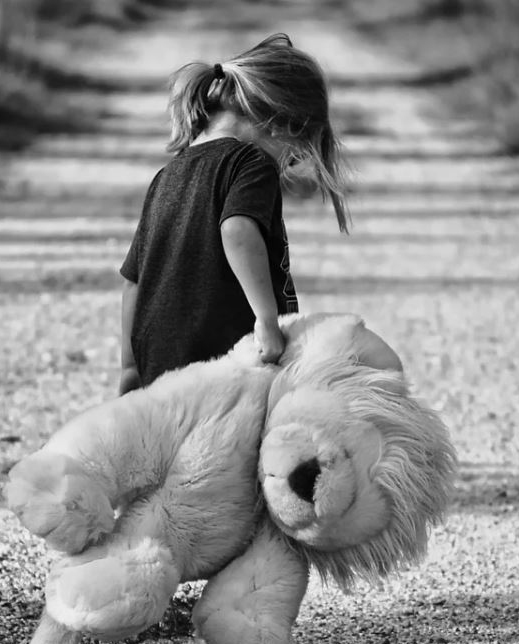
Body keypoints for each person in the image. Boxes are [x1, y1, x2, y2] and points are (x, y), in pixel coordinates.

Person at [118, 33, 350, 394]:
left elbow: (134, 280)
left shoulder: (168, 174)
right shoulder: (251, 161)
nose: (289, 164)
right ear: (281, 122)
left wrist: (130, 366)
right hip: (226, 359)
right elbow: (237, 230)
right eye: (295, 154)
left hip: (159, 365)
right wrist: (266, 320)